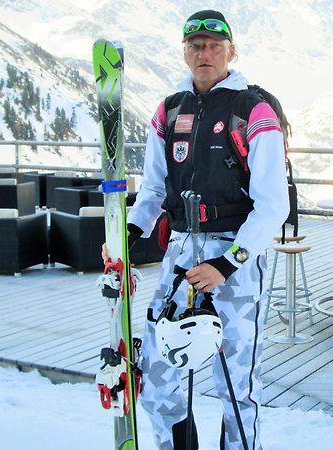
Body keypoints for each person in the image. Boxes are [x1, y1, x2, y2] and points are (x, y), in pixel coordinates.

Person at [103, 9, 290, 450]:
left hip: (235, 254)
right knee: (158, 374)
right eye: (196, 45)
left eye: (214, 45)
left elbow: (272, 205)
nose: (204, 53)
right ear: (184, 52)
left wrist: (227, 263)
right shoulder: (169, 111)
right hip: (181, 250)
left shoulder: (253, 109)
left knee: (235, 380)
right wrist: (128, 235)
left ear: (231, 50)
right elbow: (152, 189)